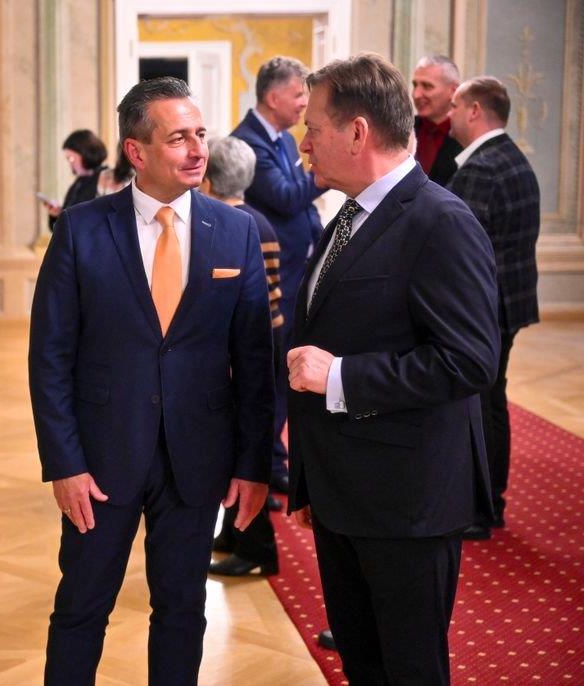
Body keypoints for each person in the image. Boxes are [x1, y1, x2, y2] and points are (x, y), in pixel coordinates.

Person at [29, 76, 275, 685]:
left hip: (198, 457)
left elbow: (254, 361)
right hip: (100, 460)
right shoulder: (81, 230)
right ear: (136, 152)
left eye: (200, 134)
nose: (197, 150)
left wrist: (254, 465)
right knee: (81, 608)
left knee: (183, 610)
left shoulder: (236, 231)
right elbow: (50, 358)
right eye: (178, 138)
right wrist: (64, 463)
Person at [287, 53, 499, 684]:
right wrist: (312, 483)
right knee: (364, 663)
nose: (303, 144)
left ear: (357, 132)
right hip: (345, 494)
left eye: (313, 128)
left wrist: (341, 378)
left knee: (409, 670)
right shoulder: (348, 215)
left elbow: (469, 360)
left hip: (407, 501)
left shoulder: (441, 221)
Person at [447, 76, 541, 539]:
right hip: (507, 301)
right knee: (491, 400)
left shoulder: (482, 168)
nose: (448, 115)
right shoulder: (513, 158)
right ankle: (490, 501)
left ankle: (481, 508)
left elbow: (458, 248)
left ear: (474, 110)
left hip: (483, 307)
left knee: (480, 405)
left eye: (455, 105)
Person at [231, 56, 325, 496]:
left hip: (296, 274)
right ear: (273, 97)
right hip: (271, 279)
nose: (304, 103)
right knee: (268, 378)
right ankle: (260, 467)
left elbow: (300, 207)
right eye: (298, 94)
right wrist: (325, 171)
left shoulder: (285, 140)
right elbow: (287, 197)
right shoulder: (247, 142)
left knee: (284, 376)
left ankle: (274, 460)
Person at [200, 135, 282, 577]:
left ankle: (255, 547)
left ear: (208, 180)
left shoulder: (232, 225)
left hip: (247, 350)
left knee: (243, 448)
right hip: (264, 340)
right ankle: (233, 533)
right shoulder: (259, 220)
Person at [412, 55, 463, 185]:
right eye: (415, 85)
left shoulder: (466, 136)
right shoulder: (403, 128)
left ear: (453, 91)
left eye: (427, 86)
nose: (416, 94)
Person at [44, 129, 108, 228]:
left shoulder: (106, 179)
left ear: (86, 154)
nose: (70, 163)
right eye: (68, 159)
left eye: (71, 158)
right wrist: (57, 214)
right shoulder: (78, 183)